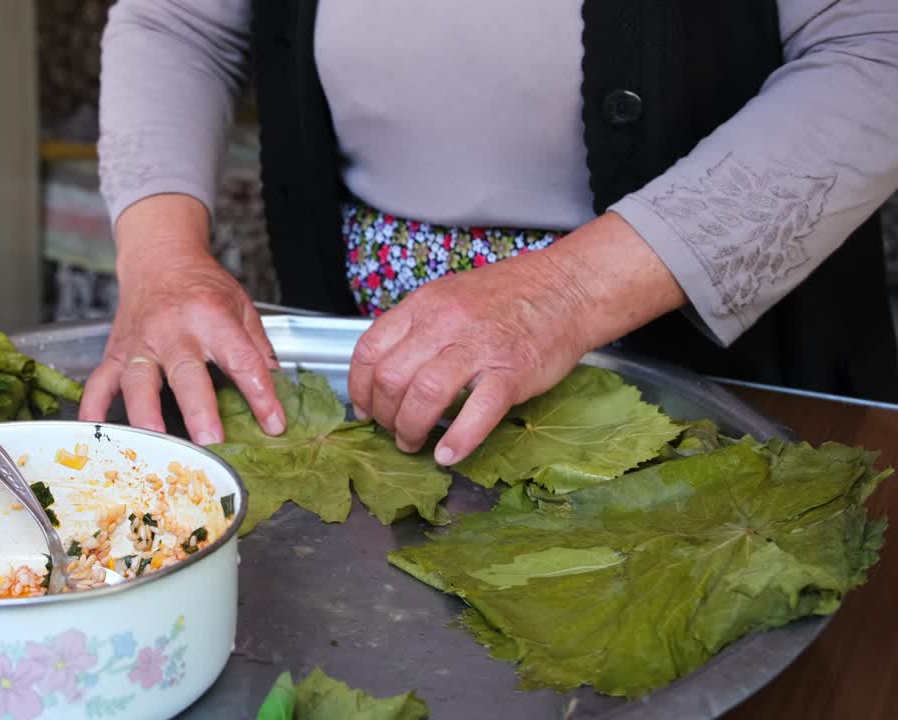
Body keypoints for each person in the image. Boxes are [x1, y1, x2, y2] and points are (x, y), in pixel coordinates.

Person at [79, 0, 898, 468]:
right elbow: (175, 22)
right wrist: (161, 258)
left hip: (712, 354)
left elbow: (876, 50)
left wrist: (565, 290)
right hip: (365, 347)